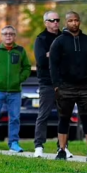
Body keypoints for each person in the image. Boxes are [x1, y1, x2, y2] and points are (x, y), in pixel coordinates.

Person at [49, 11, 87, 162]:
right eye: (71, 20)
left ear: (80, 22)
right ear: (66, 23)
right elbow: (53, 65)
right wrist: (56, 85)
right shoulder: (59, 42)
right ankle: (61, 151)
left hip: (86, 86)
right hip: (65, 86)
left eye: (76, 20)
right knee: (64, 118)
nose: (74, 23)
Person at [0, 25, 31, 154]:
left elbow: (26, 67)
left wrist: (19, 79)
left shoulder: (20, 51)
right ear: (1, 36)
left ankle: (13, 143)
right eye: (5, 34)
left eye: (11, 34)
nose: (8, 36)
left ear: (14, 36)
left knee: (14, 118)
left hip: (15, 91)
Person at [33, 11, 73, 158]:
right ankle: (39, 146)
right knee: (43, 115)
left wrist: (52, 54)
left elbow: (70, 57)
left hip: (63, 82)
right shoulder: (41, 39)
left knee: (64, 116)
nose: (56, 22)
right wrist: (55, 54)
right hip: (47, 82)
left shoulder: (64, 37)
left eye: (57, 19)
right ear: (46, 22)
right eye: (52, 20)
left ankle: (62, 147)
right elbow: (41, 61)